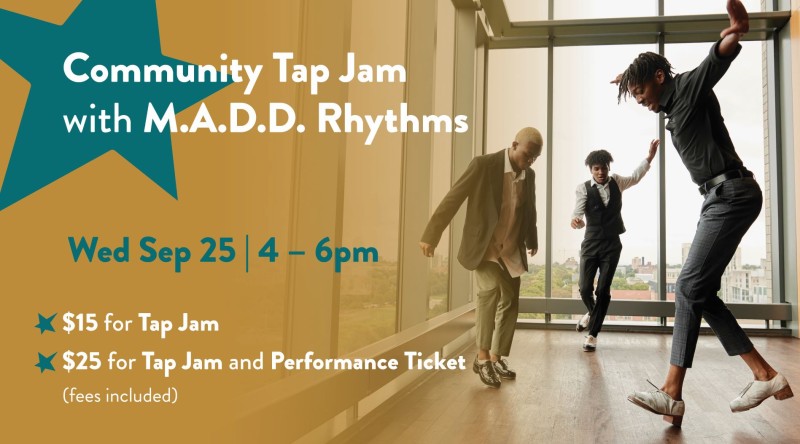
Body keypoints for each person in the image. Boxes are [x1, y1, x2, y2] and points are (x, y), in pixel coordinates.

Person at [614, 0, 792, 426]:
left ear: (660, 78)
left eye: (640, 91)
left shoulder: (688, 87)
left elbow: (717, 58)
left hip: (730, 192)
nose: (639, 100)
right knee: (701, 291)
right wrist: (629, 77)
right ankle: (764, 375)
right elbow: (649, 84)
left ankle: (672, 392)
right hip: (719, 197)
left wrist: (736, 31)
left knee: (689, 283)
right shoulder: (671, 105)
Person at [420, 127, 542, 388]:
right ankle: (482, 358)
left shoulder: (529, 175)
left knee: (510, 300)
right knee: (489, 292)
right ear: (514, 144)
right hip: (484, 246)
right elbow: (454, 197)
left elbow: (529, 209)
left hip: (509, 246)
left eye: (535, 158)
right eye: (528, 155)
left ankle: (497, 357)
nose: (530, 161)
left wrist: (532, 239)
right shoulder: (484, 165)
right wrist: (432, 234)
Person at [571, 141, 658, 352]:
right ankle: (593, 314)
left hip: (612, 244)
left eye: (604, 168)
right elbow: (577, 212)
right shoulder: (583, 189)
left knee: (603, 290)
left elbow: (636, 176)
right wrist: (576, 220)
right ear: (591, 170)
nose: (601, 172)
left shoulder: (617, 181)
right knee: (584, 289)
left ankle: (592, 335)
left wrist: (649, 158)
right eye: (596, 168)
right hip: (590, 244)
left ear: (609, 168)